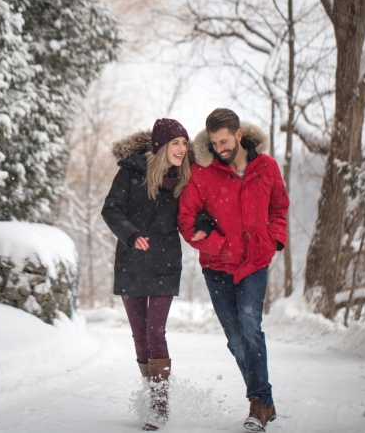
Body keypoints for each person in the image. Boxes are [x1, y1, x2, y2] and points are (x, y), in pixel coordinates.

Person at [178, 108, 290, 432]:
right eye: (214, 143)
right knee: (236, 339)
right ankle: (265, 400)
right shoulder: (203, 172)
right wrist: (220, 245)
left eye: (225, 141)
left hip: (254, 262)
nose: (220, 148)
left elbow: (279, 206)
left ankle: (258, 402)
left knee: (251, 325)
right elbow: (187, 221)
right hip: (217, 268)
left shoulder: (266, 168)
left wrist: (274, 240)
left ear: (239, 136)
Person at [101, 118, 209, 431]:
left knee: (155, 331)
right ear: (160, 145)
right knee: (139, 335)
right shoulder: (131, 171)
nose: (181, 149)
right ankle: (152, 391)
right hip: (131, 262)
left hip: (165, 263)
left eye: (184, 143)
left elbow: (197, 209)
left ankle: (159, 404)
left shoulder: (186, 179)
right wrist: (131, 235)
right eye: (175, 142)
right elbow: (111, 209)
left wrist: (204, 223)